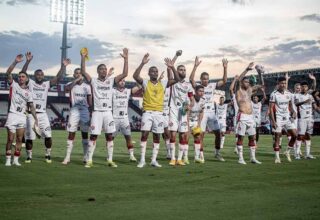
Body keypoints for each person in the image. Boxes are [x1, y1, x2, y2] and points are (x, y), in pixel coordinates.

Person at [81, 48, 129, 168]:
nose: (103, 70)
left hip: (108, 112)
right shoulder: (93, 81)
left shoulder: (111, 81)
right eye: (101, 69)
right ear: (98, 71)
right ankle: (90, 160)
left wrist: (126, 59)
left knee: (109, 136)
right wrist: (83, 57)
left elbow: (125, 74)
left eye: (105, 69)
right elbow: (83, 72)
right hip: (97, 112)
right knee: (93, 136)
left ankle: (110, 160)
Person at [133, 53, 180, 168]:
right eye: (152, 71)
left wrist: (172, 67)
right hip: (147, 112)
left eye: (156, 71)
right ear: (149, 73)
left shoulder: (163, 83)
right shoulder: (145, 82)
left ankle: (153, 160)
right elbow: (135, 76)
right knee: (144, 134)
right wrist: (142, 63)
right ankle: (142, 160)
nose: (155, 73)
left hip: (159, 113)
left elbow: (177, 79)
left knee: (157, 136)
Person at [22, 52, 70, 163]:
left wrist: (63, 66)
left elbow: (58, 78)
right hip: (30, 114)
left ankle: (48, 155)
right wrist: (28, 61)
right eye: (37, 74)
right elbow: (23, 73)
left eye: (41, 74)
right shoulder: (31, 83)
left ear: (43, 76)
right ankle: (29, 157)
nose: (39, 76)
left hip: (43, 114)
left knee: (48, 136)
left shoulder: (47, 84)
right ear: (34, 76)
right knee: (30, 137)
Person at [189, 57, 228, 162]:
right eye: (204, 78)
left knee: (218, 133)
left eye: (207, 78)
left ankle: (217, 153)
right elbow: (191, 79)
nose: (205, 80)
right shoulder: (198, 87)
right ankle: (200, 154)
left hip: (212, 113)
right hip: (202, 113)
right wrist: (195, 66)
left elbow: (224, 81)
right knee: (200, 135)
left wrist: (225, 67)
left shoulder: (212, 85)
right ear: (201, 79)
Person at [4, 54, 38, 166]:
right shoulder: (13, 85)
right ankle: (8, 159)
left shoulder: (29, 93)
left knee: (19, 139)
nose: (21, 78)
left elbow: (31, 106)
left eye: (23, 76)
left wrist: (36, 118)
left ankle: (16, 160)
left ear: (27, 79)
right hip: (13, 114)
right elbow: (8, 73)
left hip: (22, 116)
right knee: (10, 138)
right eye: (19, 76)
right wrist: (15, 62)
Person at [168, 56, 195, 166]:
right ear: (177, 71)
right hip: (173, 109)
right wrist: (175, 57)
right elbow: (169, 69)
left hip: (183, 111)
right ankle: (173, 158)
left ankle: (180, 159)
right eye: (181, 69)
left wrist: (189, 106)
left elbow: (192, 100)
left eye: (184, 70)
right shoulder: (173, 82)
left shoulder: (188, 86)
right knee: (173, 134)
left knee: (183, 135)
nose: (183, 71)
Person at [62, 68, 92, 165]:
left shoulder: (87, 86)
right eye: (77, 73)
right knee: (71, 133)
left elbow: (90, 102)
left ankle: (85, 157)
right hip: (74, 110)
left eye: (80, 73)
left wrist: (90, 113)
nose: (79, 75)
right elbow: (66, 89)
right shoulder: (71, 84)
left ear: (83, 75)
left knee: (84, 134)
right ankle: (67, 157)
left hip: (84, 111)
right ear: (74, 75)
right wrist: (75, 81)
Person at [234, 62, 262, 165]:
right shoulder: (238, 90)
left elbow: (261, 85)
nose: (247, 83)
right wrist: (247, 69)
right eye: (245, 82)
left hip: (251, 117)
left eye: (247, 82)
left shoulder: (249, 90)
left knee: (252, 137)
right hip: (242, 116)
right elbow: (238, 80)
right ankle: (240, 158)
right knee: (241, 137)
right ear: (242, 83)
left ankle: (252, 158)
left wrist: (260, 73)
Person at [112, 78, 141, 162]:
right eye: (121, 80)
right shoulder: (112, 91)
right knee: (110, 138)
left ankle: (131, 156)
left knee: (128, 137)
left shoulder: (128, 91)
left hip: (125, 118)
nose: (122, 82)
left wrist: (137, 80)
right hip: (115, 118)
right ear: (117, 82)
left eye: (124, 81)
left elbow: (139, 86)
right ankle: (109, 156)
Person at [269, 77, 297, 163]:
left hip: (287, 118)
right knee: (277, 137)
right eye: (281, 83)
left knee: (295, 135)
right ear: (278, 84)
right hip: (278, 118)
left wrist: (294, 112)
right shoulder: (274, 94)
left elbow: (290, 105)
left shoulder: (289, 93)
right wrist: (273, 121)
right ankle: (277, 157)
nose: (283, 85)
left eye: (284, 83)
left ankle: (287, 152)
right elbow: (270, 109)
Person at [294, 81, 320, 159]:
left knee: (308, 135)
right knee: (300, 136)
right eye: (302, 86)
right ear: (301, 88)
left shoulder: (310, 96)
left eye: (305, 86)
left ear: (307, 88)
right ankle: (297, 154)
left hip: (310, 118)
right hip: (302, 118)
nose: (304, 88)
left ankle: (308, 154)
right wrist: (305, 101)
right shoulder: (297, 95)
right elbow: (296, 104)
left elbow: (315, 107)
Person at [188, 85, 205, 163]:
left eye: (202, 91)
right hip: (187, 120)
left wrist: (198, 123)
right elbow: (187, 113)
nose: (201, 93)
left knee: (198, 137)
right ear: (195, 91)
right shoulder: (190, 99)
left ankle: (196, 157)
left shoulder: (203, 101)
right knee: (185, 138)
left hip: (195, 121)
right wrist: (187, 125)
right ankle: (183, 157)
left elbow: (201, 112)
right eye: (200, 91)